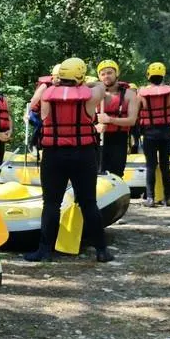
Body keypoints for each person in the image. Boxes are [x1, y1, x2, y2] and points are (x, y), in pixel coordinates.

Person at [24, 58, 114, 264]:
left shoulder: (47, 95)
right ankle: (101, 251)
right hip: (83, 155)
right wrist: (86, 83)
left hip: (53, 155)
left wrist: (52, 83)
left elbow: (34, 101)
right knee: (89, 203)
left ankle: (44, 251)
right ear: (80, 76)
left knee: (51, 204)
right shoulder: (90, 97)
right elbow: (101, 86)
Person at [137, 62, 170, 207]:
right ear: (163, 75)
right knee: (165, 166)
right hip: (166, 132)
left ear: (149, 75)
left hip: (149, 133)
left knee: (151, 166)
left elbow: (137, 111)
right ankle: (168, 198)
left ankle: (150, 198)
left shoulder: (141, 92)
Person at [95, 60, 138, 177]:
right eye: (102, 74)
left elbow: (132, 120)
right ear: (99, 76)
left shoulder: (130, 94)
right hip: (97, 139)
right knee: (96, 173)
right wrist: (95, 126)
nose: (106, 76)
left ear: (116, 74)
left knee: (117, 173)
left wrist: (110, 120)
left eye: (109, 73)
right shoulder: (94, 94)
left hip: (119, 140)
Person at [27, 66, 60, 155]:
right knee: (41, 123)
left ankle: (45, 146)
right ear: (53, 76)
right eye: (57, 77)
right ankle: (32, 145)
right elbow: (34, 99)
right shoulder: (45, 85)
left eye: (61, 77)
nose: (59, 80)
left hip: (46, 114)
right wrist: (26, 113)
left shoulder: (61, 87)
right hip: (34, 113)